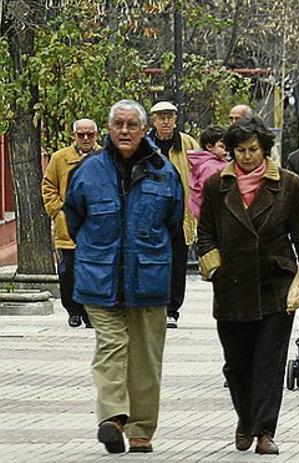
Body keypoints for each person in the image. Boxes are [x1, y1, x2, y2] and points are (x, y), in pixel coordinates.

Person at [197, 117, 299, 455]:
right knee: (236, 363)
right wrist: (214, 267)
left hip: (275, 284)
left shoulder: (288, 184)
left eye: (253, 149)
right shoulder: (215, 186)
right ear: (232, 152)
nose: (248, 156)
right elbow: (205, 234)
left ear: (265, 150)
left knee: (269, 361)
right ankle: (245, 418)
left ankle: (265, 431)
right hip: (232, 285)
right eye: (240, 150)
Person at [64, 99, 183, 454]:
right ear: (109, 128)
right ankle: (114, 418)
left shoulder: (164, 172)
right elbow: (74, 220)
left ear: (144, 130)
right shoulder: (88, 171)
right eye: (119, 124)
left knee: (146, 358)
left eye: (133, 125)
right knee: (111, 347)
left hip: (149, 279)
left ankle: (142, 430)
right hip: (99, 278)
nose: (126, 131)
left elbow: (174, 228)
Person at [41, 118, 100, 328]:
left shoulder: (104, 157)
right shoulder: (60, 158)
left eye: (89, 134)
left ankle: (90, 312)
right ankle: (73, 310)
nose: (85, 138)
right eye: (81, 134)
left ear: (96, 135)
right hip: (67, 227)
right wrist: (58, 211)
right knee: (67, 271)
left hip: (96, 226)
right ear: (74, 135)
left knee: (93, 272)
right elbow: (48, 186)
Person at [147, 101, 199, 328]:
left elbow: (199, 177)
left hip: (179, 214)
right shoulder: (144, 144)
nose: (166, 121)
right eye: (161, 117)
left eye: (169, 117)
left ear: (176, 119)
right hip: (150, 215)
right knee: (151, 262)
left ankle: (172, 310)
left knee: (177, 264)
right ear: (153, 121)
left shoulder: (188, 144)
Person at [187, 125, 228, 220]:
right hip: (212, 215)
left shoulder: (215, 163)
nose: (226, 151)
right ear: (209, 146)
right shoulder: (210, 167)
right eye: (221, 147)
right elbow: (212, 193)